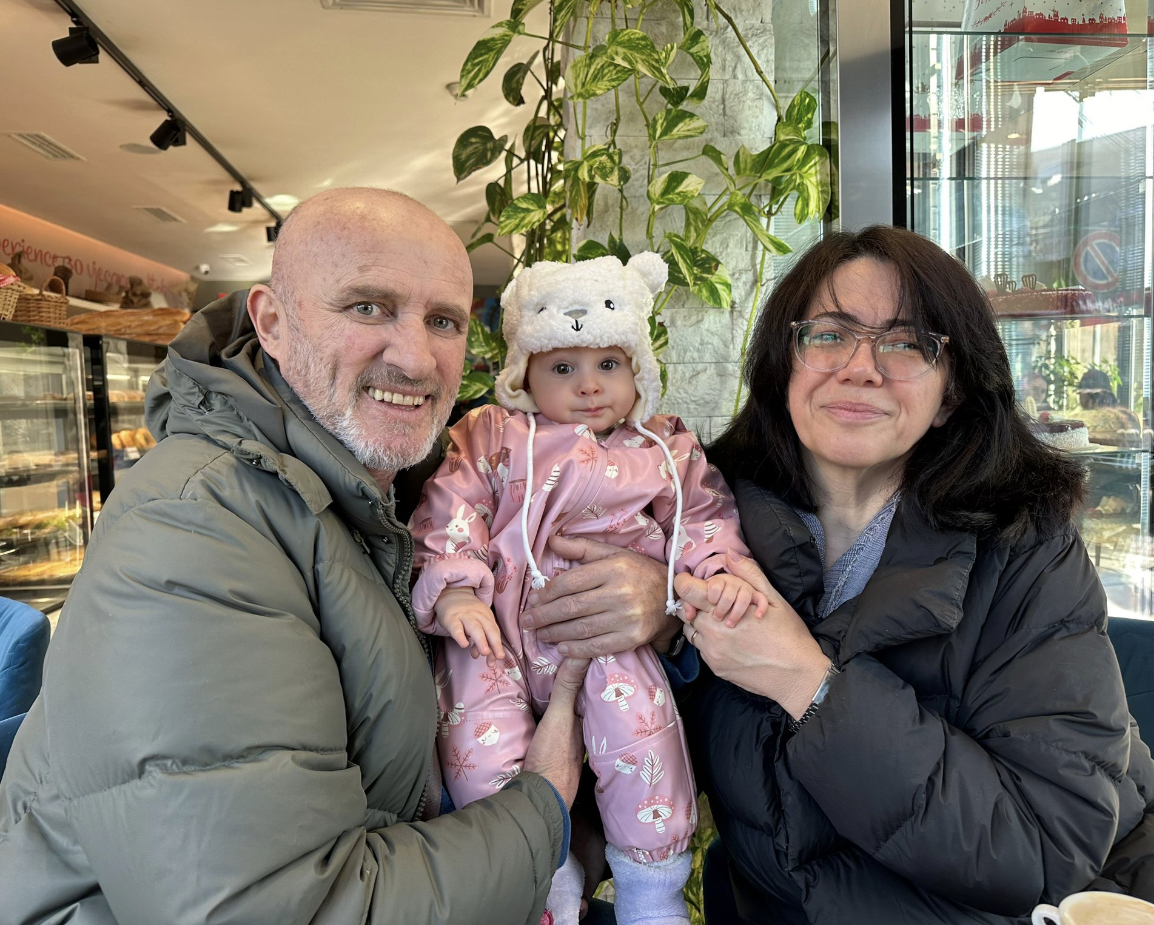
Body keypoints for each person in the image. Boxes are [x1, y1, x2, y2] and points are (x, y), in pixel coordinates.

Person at [0, 188, 672, 924]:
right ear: (272, 323)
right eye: (368, 307)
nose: (414, 357)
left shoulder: (418, 486)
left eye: (442, 320)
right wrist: (541, 806)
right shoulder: (192, 531)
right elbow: (274, 909)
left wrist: (655, 599)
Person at [670, 226, 1154, 925]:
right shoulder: (700, 521)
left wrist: (807, 683)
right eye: (830, 334)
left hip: (1085, 896)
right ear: (784, 364)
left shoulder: (1027, 549)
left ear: (950, 394)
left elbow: (1040, 848)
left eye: (907, 343)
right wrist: (654, 625)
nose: (860, 367)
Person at [409, 254, 762, 925]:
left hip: (609, 636)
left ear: (639, 370)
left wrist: (718, 576)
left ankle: (651, 891)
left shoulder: (663, 449)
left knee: (643, 739)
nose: (590, 385)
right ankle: (542, 875)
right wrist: (455, 590)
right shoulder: (492, 436)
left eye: (608, 363)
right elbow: (451, 507)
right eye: (563, 368)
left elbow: (703, 520)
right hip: (500, 633)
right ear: (524, 374)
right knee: (476, 746)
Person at [1075, 367, 1147, 449]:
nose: (1080, 398)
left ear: (1086, 395)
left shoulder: (1084, 418)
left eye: (1080, 394)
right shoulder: (1130, 415)